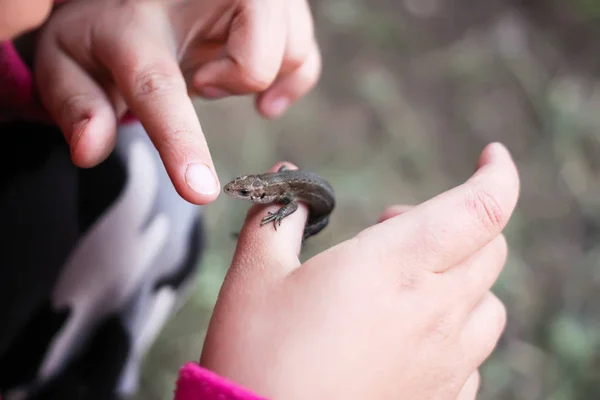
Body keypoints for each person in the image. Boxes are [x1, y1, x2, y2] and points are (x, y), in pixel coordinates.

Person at [0, 0, 520, 399]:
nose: (245, 193)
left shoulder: (283, 193)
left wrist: (53, 29)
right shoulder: (273, 194)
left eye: (249, 191)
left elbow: (298, 200)